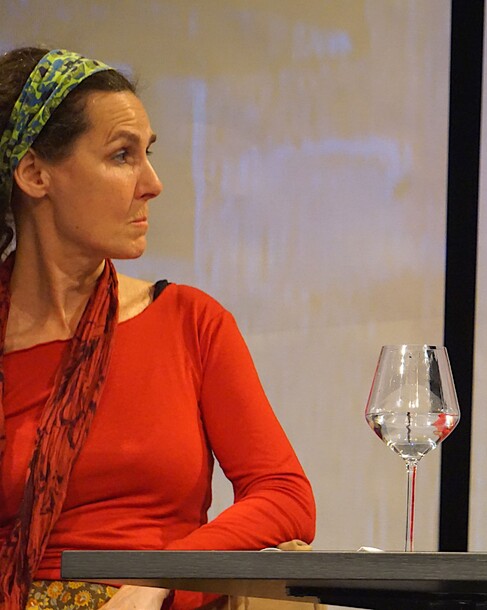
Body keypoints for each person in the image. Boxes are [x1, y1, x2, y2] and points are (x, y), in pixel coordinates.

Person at [0, 47, 316, 610]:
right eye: (122, 155)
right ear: (35, 174)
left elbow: (284, 496)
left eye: (147, 153)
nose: (152, 183)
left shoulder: (190, 322)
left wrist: (158, 576)